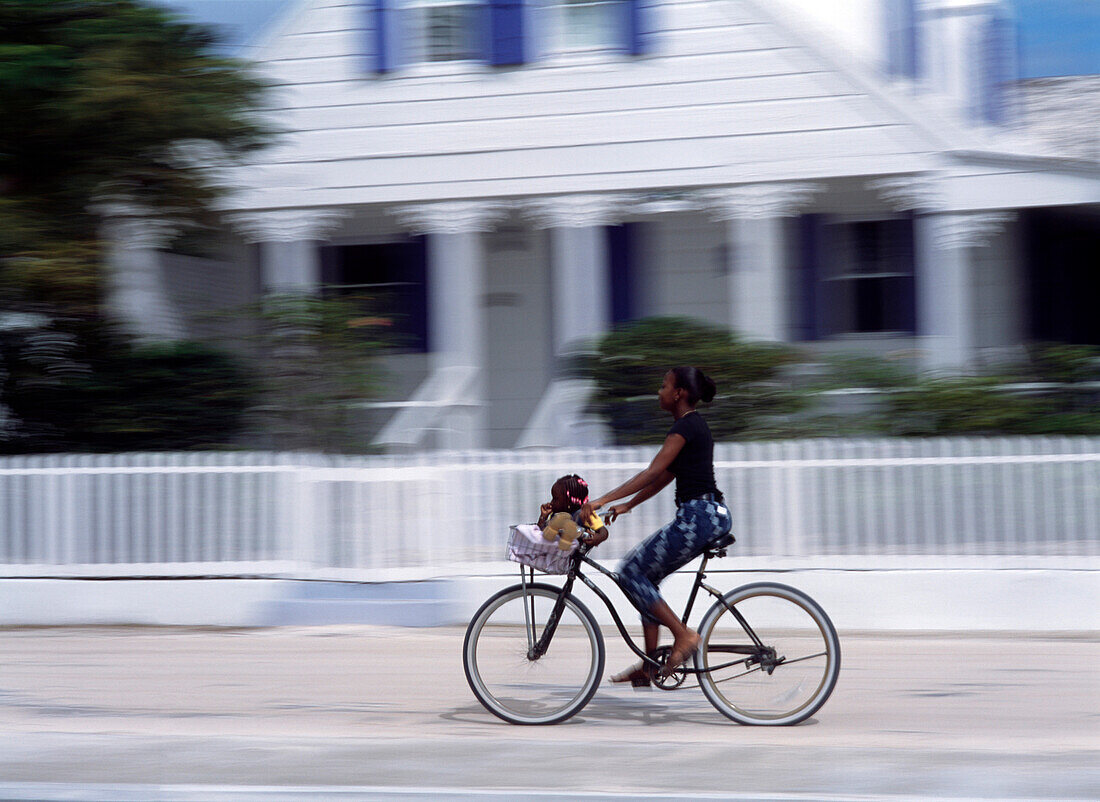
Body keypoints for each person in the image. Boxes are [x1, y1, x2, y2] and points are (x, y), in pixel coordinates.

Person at [580, 366, 732, 687]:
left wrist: (600, 501)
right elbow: (664, 477)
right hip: (706, 514)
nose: (659, 392)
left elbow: (652, 472)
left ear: (679, 394)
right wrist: (627, 505)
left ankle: (684, 636)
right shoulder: (691, 427)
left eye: (664, 386)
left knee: (630, 572)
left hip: (699, 517)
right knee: (644, 578)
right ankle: (651, 666)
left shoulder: (686, 427)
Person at [537, 474, 607, 541]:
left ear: (568, 502)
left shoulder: (584, 514)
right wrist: (543, 516)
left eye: (555, 499)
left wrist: (597, 538)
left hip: (574, 551)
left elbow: (603, 532)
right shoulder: (555, 514)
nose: (551, 502)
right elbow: (540, 532)